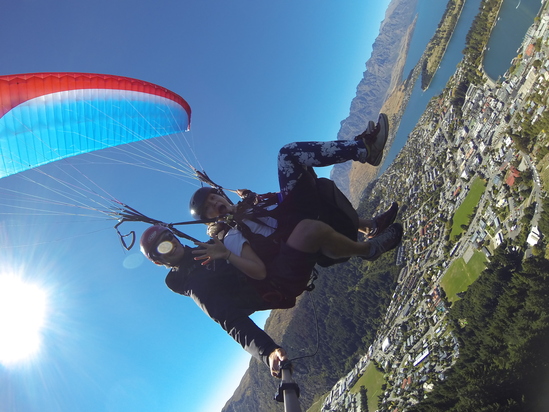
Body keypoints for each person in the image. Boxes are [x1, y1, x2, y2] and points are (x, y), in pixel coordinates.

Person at [189, 113, 403, 293]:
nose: (214, 202)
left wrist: (249, 198)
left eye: (213, 197)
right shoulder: (230, 235)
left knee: (313, 179)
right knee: (287, 155)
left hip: (292, 215)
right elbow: (259, 268)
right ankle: (369, 247)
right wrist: (227, 252)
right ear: (209, 219)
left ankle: (370, 226)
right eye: (208, 207)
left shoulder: (244, 207)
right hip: (290, 232)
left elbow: (269, 209)